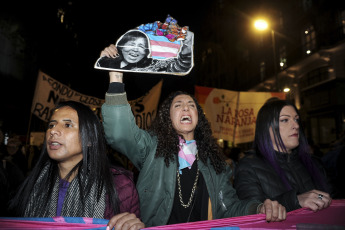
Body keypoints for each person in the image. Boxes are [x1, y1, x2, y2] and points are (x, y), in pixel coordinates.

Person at [100, 50, 286, 227]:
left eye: (191, 105)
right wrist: (116, 76)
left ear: (198, 117)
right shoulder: (152, 149)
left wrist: (259, 208)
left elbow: (229, 208)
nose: (186, 108)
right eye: (178, 105)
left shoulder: (215, 164)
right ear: (168, 117)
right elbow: (119, 132)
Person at [8, 101, 144, 230]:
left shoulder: (120, 187)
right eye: (51, 125)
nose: (53, 131)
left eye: (67, 125)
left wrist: (133, 226)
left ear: (89, 139)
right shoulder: (33, 184)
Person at [234, 99, 333, 213]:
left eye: (296, 119)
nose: (295, 125)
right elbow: (251, 211)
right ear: (266, 127)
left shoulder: (314, 163)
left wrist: (320, 198)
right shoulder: (249, 167)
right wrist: (295, 200)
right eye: (285, 120)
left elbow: (330, 198)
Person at [96, 29, 194, 74]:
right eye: (131, 44)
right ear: (121, 46)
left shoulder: (153, 66)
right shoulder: (106, 62)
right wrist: (103, 60)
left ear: (146, 51)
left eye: (141, 46)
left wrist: (186, 48)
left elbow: (180, 67)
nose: (135, 49)